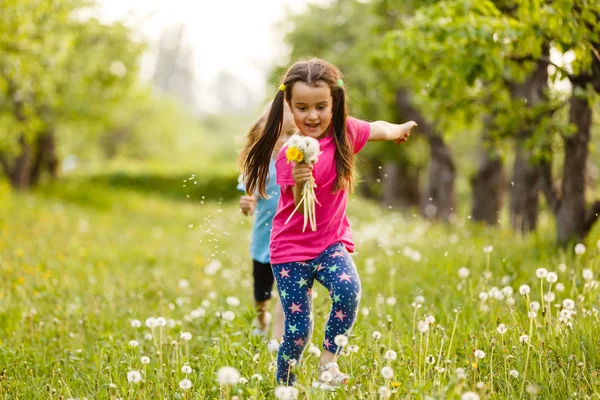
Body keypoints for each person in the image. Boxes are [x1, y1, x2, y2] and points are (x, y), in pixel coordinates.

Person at [243, 58, 416, 388]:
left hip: (329, 244)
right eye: (302, 107)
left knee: (349, 289)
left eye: (321, 106)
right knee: (297, 330)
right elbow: (293, 193)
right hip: (290, 251)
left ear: (335, 103)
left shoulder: (348, 133)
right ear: (289, 107)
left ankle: (328, 363)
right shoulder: (288, 153)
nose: (312, 116)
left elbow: (379, 127)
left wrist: (399, 130)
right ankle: (286, 386)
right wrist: (297, 176)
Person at [237, 102, 296, 342]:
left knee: (288, 290)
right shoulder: (259, 165)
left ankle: (282, 332)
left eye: (290, 134)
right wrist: (248, 203)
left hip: (292, 241)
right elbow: (249, 195)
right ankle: (262, 320)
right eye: (279, 133)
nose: (283, 140)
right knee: (261, 290)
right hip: (264, 241)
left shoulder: (297, 162)